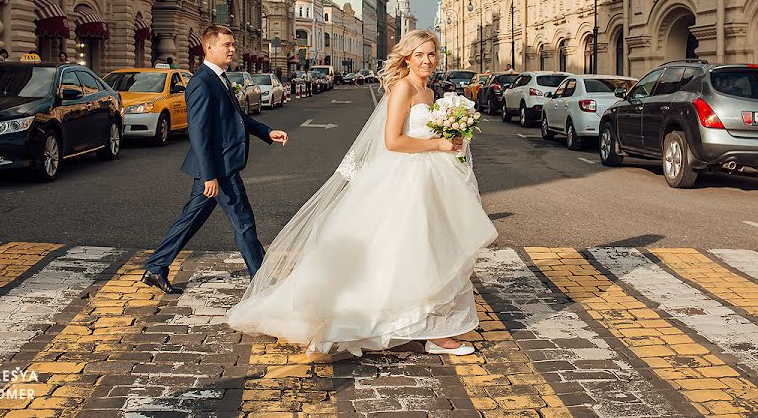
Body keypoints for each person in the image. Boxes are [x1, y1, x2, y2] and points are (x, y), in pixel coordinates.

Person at [227, 30, 497, 357]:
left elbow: (424, 133)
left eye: (432, 54)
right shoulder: (402, 89)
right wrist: (438, 143)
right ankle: (408, 325)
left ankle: (433, 328)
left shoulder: (427, 91)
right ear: (407, 58)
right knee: (406, 251)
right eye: (420, 54)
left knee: (428, 250)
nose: (427, 60)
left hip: (429, 177)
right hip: (404, 178)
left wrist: (451, 139)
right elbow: (392, 141)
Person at [141, 25, 289, 294]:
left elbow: (237, 119)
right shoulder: (202, 82)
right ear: (209, 47)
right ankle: (263, 282)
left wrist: (267, 132)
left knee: (191, 219)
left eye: (233, 45)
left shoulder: (219, 78)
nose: (233, 49)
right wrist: (209, 175)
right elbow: (198, 132)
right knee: (244, 223)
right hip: (218, 168)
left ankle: (156, 266)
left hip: (217, 166)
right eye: (227, 45)